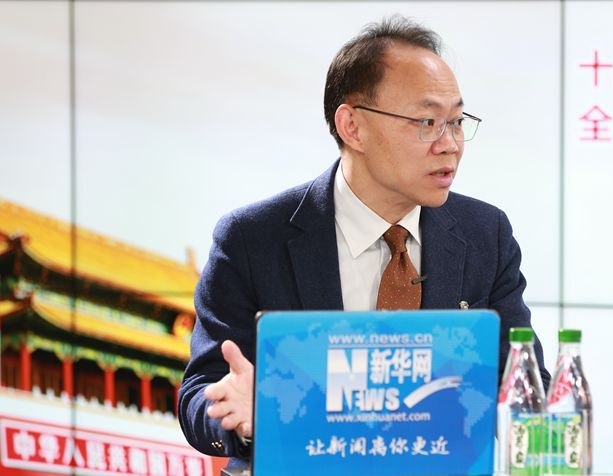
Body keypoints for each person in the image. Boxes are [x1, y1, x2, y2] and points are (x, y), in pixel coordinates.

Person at [178, 15, 550, 468]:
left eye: (456, 121)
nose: (451, 144)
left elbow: (528, 388)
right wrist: (242, 416)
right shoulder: (252, 238)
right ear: (352, 126)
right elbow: (200, 394)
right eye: (427, 121)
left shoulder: (485, 234)